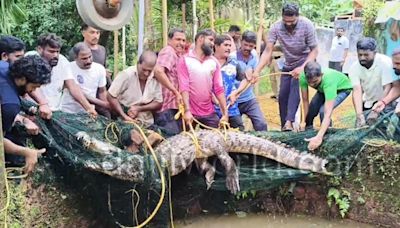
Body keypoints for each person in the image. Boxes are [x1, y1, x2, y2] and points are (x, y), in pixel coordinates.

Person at [253, 2, 318, 131]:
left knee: (295, 85)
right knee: (282, 95)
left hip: (305, 61)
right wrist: (257, 71)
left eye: (292, 22)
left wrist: (302, 67)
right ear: (282, 16)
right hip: (288, 63)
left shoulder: (307, 25)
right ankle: (285, 126)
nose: (288, 24)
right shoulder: (276, 27)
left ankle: (289, 121)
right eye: (285, 21)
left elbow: (314, 50)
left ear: (297, 17)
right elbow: (267, 51)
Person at [1, 55, 52, 173]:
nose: (32, 91)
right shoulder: (10, 104)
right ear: (23, 79)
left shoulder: (3, 66)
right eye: (33, 87)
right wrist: (26, 152)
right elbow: (0, 141)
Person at [31, 34, 97, 117]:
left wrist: (89, 108)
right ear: (40, 49)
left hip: (55, 112)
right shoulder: (31, 59)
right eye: (51, 51)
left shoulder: (62, 61)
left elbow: (72, 86)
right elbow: (30, 87)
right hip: (34, 110)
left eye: (57, 51)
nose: (55, 55)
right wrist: (43, 104)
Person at [177, 29, 228, 128]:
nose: (213, 44)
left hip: (209, 111)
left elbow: (219, 89)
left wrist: (225, 113)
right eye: (211, 40)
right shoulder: (184, 60)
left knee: (216, 139)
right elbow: (184, 87)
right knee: (186, 140)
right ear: (201, 39)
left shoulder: (213, 62)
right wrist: (187, 111)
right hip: (190, 112)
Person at [300, 62, 352, 150]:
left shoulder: (328, 81)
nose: (312, 85)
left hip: (342, 89)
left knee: (323, 111)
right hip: (322, 89)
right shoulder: (302, 77)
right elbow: (305, 100)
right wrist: (303, 122)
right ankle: (308, 134)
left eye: (315, 81)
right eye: (310, 82)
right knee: (311, 111)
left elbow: (328, 113)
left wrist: (319, 136)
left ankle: (327, 137)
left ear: (322, 75)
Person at [349, 37, 395, 127]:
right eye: (360, 54)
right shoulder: (354, 68)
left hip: (386, 101)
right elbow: (357, 90)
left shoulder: (385, 62)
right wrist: (359, 114)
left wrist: (377, 110)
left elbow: (387, 87)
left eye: (366, 55)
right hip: (368, 100)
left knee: (382, 129)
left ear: (374, 53)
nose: (362, 58)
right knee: (362, 126)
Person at [107, 51, 162, 126]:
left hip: (147, 122)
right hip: (123, 120)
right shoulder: (126, 75)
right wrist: (124, 116)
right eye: (144, 70)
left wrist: (139, 108)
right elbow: (110, 95)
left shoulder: (155, 78)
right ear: (138, 63)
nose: (146, 73)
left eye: (149, 71)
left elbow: (158, 102)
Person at [69, 23, 112, 117]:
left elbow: (102, 90)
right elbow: (74, 88)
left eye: (98, 33)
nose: (95, 36)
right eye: (92, 32)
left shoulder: (102, 50)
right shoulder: (75, 53)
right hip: (80, 100)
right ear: (83, 33)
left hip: (97, 92)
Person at [230, 31, 268, 131]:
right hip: (233, 100)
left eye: (250, 46)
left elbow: (255, 73)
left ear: (254, 45)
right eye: (245, 44)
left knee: (261, 124)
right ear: (241, 42)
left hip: (249, 98)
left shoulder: (255, 55)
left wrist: (255, 76)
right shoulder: (231, 57)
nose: (247, 48)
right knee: (237, 129)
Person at [154, 28, 186, 134]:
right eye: (178, 39)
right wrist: (175, 91)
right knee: (171, 140)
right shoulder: (169, 51)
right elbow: (158, 71)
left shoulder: (179, 55)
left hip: (174, 107)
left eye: (183, 40)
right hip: (166, 108)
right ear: (169, 40)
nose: (181, 43)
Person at [61, 42, 109, 114]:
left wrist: (106, 107)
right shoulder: (68, 68)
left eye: (90, 57)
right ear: (75, 58)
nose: (88, 61)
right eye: (84, 59)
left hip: (89, 113)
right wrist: (103, 104)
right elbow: (76, 92)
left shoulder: (100, 69)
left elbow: (102, 91)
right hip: (68, 111)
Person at [214, 34, 246, 130]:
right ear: (216, 46)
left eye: (229, 45)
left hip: (231, 107)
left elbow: (244, 79)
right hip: (213, 109)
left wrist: (236, 92)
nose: (228, 48)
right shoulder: (208, 62)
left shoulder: (234, 63)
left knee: (240, 132)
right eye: (225, 45)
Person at [372, 48, 400, 115]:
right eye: (393, 63)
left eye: (398, 63)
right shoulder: (395, 69)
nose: (394, 66)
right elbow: (397, 87)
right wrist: (383, 102)